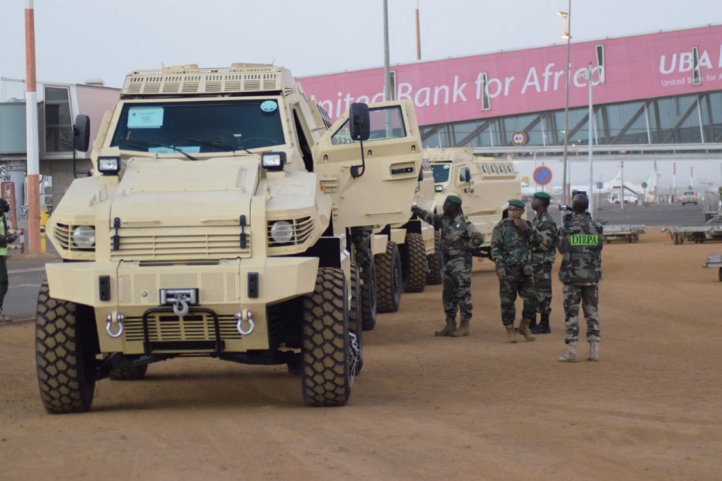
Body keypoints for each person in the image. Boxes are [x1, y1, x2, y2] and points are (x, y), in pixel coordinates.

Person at [412, 195, 484, 337]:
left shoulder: (464, 223)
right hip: (448, 264)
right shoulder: (444, 220)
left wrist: (466, 247)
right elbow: (429, 217)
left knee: (463, 294)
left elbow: (479, 238)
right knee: (448, 294)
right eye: (445, 203)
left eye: (448, 204)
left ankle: (465, 325)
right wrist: (415, 209)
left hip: (461, 265)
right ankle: (450, 324)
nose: (445, 206)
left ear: (456, 207)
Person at [557, 193, 603, 362]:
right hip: (591, 276)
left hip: (572, 277)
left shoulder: (567, 227)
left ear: (573, 207)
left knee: (571, 313)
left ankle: (572, 350)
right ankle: (593, 350)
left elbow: (561, 249)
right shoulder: (596, 226)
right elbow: (599, 247)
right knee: (592, 313)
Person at [490, 199, 537, 343]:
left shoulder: (527, 225)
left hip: (526, 269)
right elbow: (495, 248)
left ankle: (525, 325)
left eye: (515, 210)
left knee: (532, 299)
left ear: (522, 212)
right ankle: (510, 329)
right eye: (510, 209)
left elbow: (539, 242)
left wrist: (526, 229)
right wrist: (500, 265)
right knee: (507, 302)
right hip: (508, 269)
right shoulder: (501, 227)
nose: (512, 212)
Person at [529, 192, 558, 334]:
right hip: (535, 262)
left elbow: (545, 244)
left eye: (534, 199)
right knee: (533, 292)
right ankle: (532, 323)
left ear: (540, 202)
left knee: (543, 293)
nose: (532, 201)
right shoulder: (537, 219)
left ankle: (545, 324)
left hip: (542, 263)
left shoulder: (546, 222)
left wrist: (529, 238)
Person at [0, 198, 14, 322]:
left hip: (2, 254)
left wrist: (10, 237)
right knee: (2, 284)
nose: (3, 213)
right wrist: (5, 240)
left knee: (3, 284)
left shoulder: (2, 218)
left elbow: (3, 233)